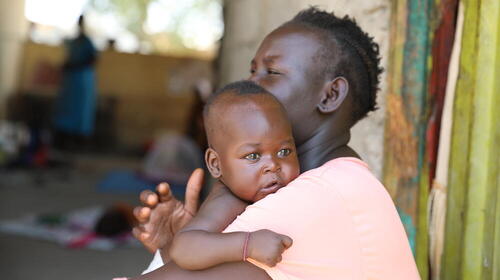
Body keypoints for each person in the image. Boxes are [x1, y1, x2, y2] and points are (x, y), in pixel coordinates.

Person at [132, 7, 420, 280]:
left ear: (331, 95)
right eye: (252, 70)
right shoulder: (341, 180)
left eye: (271, 73)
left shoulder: (312, 198)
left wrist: (188, 248)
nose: (250, 84)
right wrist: (184, 244)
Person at [169, 80, 299, 270]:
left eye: (284, 151)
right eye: (253, 156)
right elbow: (183, 247)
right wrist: (248, 244)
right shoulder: (227, 199)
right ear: (216, 164)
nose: (273, 165)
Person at [53, 15, 97, 147]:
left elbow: (92, 60)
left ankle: (78, 139)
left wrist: (75, 65)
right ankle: (64, 137)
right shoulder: (73, 42)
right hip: (71, 80)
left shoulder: (87, 42)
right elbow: (69, 58)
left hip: (82, 80)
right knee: (67, 107)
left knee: (81, 110)